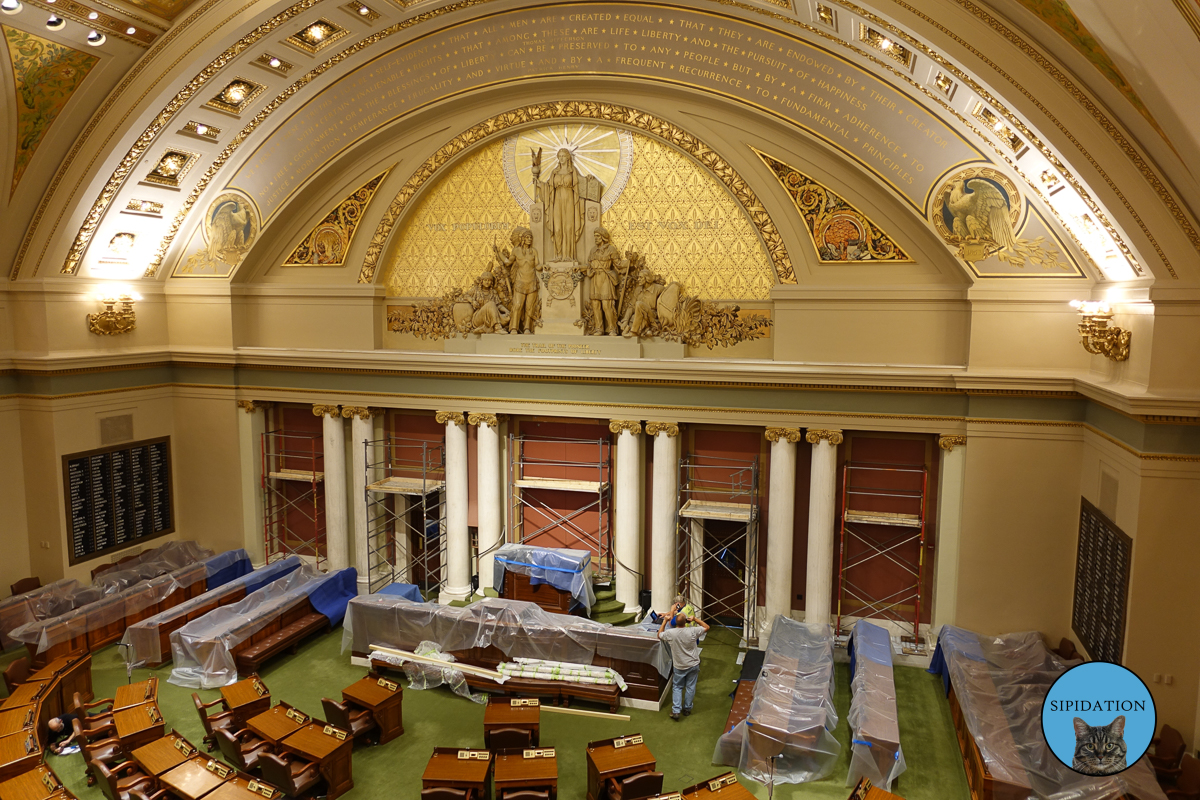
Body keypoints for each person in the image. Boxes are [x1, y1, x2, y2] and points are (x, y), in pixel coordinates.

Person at [657, 600, 710, 720]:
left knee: (677, 687)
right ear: (686, 621)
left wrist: (664, 621)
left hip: (679, 665)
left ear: (676, 623)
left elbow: (659, 635)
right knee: (691, 686)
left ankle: (676, 711)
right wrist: (695, 620)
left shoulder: (671, 633)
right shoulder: (692, 631)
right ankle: (687, 709)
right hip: (693, 664)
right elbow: (706, 627)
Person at [531, 147, 585, 261]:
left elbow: (581, 183)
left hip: (569, 199)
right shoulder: (554, 172)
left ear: (568, 157)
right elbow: (549, 187)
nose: (561, 158)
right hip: (557, 201)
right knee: (557, 228)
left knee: (569, 227)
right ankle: (558, 255)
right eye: (559, 156)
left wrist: (589, 178)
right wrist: (539, 184)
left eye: (563, 156)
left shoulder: (572, 171)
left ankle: (568, 256)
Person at [493, 226, 541, 334]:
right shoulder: (516, 251)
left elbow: (537, 266)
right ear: (522, 239)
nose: (530, 239)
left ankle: (527, 328)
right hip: (520, 282)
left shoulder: (533, 251)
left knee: (529, 307)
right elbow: (507, 262)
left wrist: (545, 267)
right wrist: (498, 252)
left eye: (531, 237)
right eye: (528, 237)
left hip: (532, 282)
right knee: (517, 305)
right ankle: (513, 327)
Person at [584, 227, 624, 335]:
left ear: (603, 237)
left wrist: (629, 261)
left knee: (607, 305)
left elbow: (618, 264)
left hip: (606, 278)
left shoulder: (611, 249)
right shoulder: (593, 250)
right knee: (595, 305)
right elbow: (589, 265)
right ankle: (599, 328)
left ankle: (612, 328)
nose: (595, 238)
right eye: (595, 236)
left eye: (597, 236)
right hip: (595, 279)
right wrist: (589, 272)